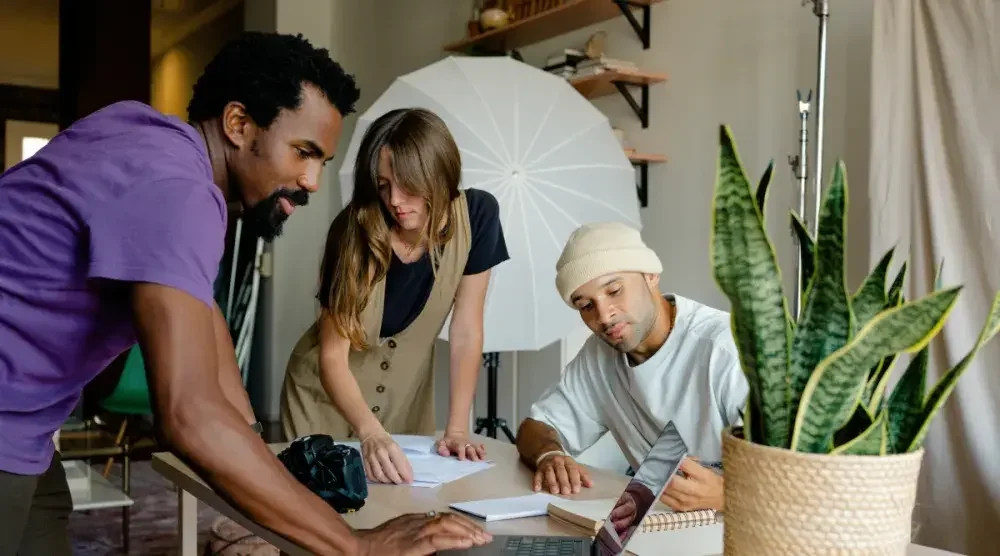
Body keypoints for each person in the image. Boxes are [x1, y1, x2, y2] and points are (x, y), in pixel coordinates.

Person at [0, 31, 491, 556]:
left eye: (322, 162)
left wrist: (256, 447)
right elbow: (188, 414)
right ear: (238, 125)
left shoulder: (144, 137)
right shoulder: (180, 193)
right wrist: (356, 546)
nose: (311, 182)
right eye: (303, 152)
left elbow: (203, 316)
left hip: (27, 431)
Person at [280, 107, 510, 485]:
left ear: (438, 173)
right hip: (323, 402)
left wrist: (456, 430)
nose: (395, 200)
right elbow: (332, 355)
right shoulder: (354, 230)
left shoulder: (478, 216)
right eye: (383, 184)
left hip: (406, 404)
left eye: (407, 184)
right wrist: (369, 432)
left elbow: (466, 330)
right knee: (320, 521)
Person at [514, 221, 748, 513]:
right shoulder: (598, 357)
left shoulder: (727, 351)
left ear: (650, 275)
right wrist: (549, 456)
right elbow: (535, 428)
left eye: (614, 290)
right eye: (586, 305)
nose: (604, 315)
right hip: (659, 531)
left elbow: (809, 482)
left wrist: (727, 497)